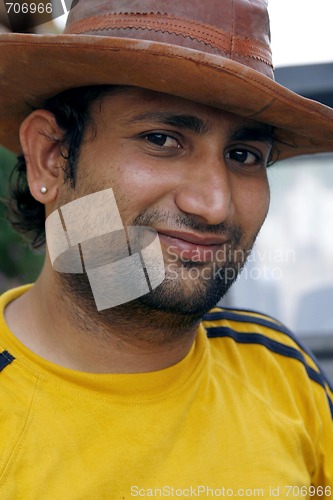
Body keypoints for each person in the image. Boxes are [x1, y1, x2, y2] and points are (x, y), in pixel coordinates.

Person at [0, 0, 332, 497]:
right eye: (161, 139)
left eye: (244, 155)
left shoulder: (279, 370)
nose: (214, 205)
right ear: (50, 158)